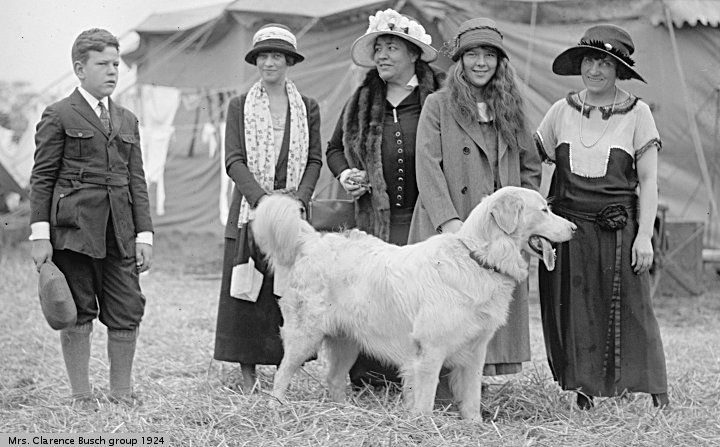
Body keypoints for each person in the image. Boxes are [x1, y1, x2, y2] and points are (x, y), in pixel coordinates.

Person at [534, 24, 669, 409]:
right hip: (568, 228)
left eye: (605, 63)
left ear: (619, 69)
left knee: (633, 308)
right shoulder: (560, 111)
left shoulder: (638, 113)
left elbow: (649, 181)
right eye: (589, 61)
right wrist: (540, 224)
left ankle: (657, 392)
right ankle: (584, 390)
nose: (594, 70)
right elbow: (542, 169)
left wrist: (644, 236)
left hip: (617, 228)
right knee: (577, 309)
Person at [408, 18, 541, 390]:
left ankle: (472, 390)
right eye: (472, 55)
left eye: (489, 55)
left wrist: (524, 221)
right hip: (448, 224)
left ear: (500, 62)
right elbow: (427, 164)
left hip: (500, 231)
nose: (481, 63)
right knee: (443, 311)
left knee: (486, 309)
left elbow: (530, 166)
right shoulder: (438, 104)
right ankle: (435, 392)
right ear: (460, 61)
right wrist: (449, 221)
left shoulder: (512, 108)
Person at [29, 28, 153, 405]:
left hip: (120, 232)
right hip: (74, 232)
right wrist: (40, 235)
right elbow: (42, 178)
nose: (113, 71)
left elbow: (136, 181)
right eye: (103, 64)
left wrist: (144, 235)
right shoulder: (58, 114)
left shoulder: (127, 120)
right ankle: (81, 397)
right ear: (80, 69)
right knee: (78, 310)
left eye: (115, 64)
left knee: (127, 308)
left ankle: (121, 394)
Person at [325, 8, 444, 388]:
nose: (382, 55)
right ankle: (373, 376)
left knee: (425, 297)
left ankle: (427, 378)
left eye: (391, 47)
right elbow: (334, 149)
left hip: (424, 218)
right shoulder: (361, 100)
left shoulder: (438, 97)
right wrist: (346, 174)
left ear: (413, 53)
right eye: (378, 49)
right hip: (375, 220)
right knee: (375, 296)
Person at [213, 24, 322, 393]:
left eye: (277, 56)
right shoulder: (239, 105)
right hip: (251, 211)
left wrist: (299, 200)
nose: (269, 63)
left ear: (289, 61)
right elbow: (233, 160)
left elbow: (314, 159)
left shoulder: (307, 107)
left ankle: (283, 373)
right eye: (263, 56)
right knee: (247, 289)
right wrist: (263, 202)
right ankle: (247, 375)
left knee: (287, 293)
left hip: (293, 213)